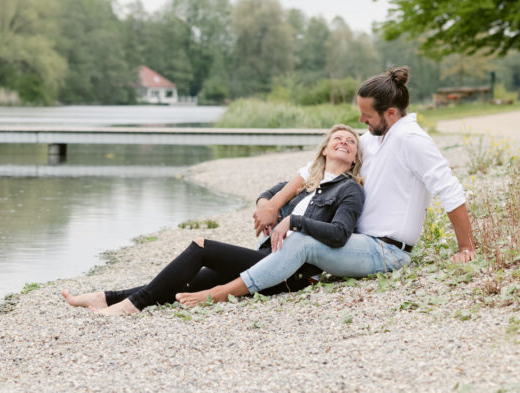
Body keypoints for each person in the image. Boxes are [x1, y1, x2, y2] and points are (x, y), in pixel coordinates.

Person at [176, 66, 476, 307]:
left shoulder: (412, 140)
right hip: (355, 244)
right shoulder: (374, 138)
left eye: (367, 115)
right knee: (273, 248)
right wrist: (272, 204)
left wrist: (466, 248)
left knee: (300, 240)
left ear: (391, 113)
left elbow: (449, 190)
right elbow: (312, 170)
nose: (361, 120)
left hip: (385, 250)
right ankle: (149, 294)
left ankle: (220, 293)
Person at [62, 124, 365, 315]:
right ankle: (106, 297)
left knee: (201, 247)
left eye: (350, 142)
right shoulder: (308, 181)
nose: (343, 142)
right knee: (191, 279)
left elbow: (339, 234)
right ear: (324, 149)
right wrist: (267, 208)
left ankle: (130, 307)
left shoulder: (350, 190)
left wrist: (293, 222)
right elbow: (267, 195)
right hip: (264, 258)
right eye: (336, 138)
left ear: (354, 159)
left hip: (291, 275)